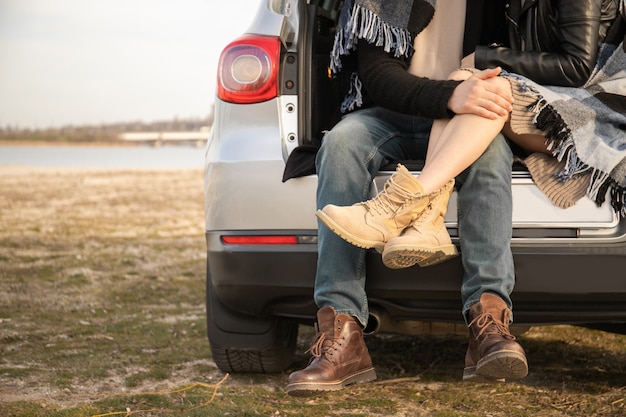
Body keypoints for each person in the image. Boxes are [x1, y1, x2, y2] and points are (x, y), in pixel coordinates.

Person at [285, 0, 621, 396]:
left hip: (468, 115)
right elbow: (377, 77)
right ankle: (342, 335)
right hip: (392, 111)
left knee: (492, 153)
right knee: (340, 143)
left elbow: (520, 59)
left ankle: (489, 323)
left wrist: (467, 95)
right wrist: (449, 95)